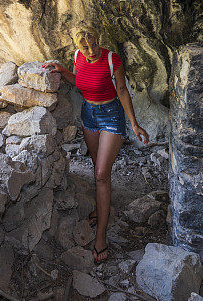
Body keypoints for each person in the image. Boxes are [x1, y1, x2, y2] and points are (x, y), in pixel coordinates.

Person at [43, 23, 149, 264]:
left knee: (102, 173)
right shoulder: (78, 57)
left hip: (112, 115)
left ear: (98, 38)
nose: (90, 50)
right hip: (89, 114)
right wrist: (62, 70)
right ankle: (101, 210)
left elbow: (122, 90)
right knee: (96, 167)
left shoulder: (112, 59)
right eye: (84, 46)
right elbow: (81, 83)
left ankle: (101, 235)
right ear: (78, 47)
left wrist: (133, 125)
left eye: (93, 44)